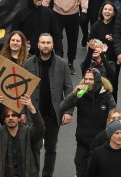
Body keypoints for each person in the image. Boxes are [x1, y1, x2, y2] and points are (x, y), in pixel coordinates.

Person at [25, 33, 72, 177]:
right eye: (43, 42)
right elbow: (22, 90)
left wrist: (68, 111)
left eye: (48, 43)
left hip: (53, 114)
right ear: (38, 45)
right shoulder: (28, 63)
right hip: (34, 114)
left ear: (52, 45)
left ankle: (47, 175)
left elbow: (69, 88)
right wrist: (21, 112)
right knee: (34, 148)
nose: (45, 45)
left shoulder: (62, 64)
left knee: (51, 148)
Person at [59, 67, 115, 177]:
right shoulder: (80, 95)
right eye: (86, 79)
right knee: (81, 171)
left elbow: (113, 116)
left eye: (91, 79)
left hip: (100, 144)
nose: (87, 82)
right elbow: (62, 107)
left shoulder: (107, 96)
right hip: (83, 143)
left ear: (98, 81)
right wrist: (73, 93)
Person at [0, 94, 45, 177]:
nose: (10, 118)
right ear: (4, 119)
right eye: (7, 116)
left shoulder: (28, 132)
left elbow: (40, 129)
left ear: (19, 118)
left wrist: (31, 108)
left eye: (13, 115)